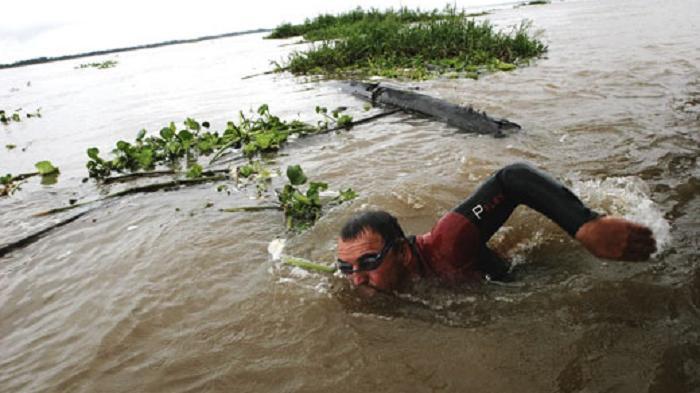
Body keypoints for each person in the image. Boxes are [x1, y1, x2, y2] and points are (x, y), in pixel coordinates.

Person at [336, 163, 657, 295]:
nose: (357, 278)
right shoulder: (359, 280)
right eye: (346, 268)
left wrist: (587, 225)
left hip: (512, 279)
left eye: (368, 263)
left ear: (403, 252)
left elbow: (512, 179)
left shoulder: (448, 241)